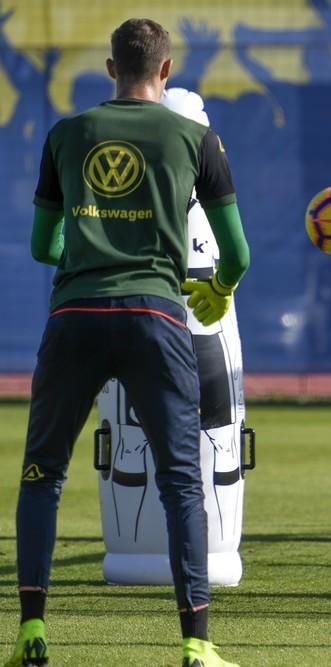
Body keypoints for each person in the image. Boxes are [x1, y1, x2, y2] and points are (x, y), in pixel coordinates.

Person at [7, 18, 249, 667]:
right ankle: (196, 642)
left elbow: (42, 246)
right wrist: (219, 289)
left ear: (110, 69)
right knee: (180, 484)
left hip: (75, 317)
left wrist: (80, 249)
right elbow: (238, 254)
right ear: (165, 73)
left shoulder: (67, 133)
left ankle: (31, 630)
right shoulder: (196, 137)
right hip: (158, 318)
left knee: (42, 475)